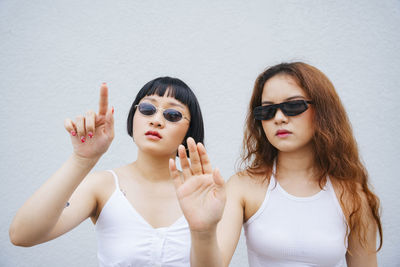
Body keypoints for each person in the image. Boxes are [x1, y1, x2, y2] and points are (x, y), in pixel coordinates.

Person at [169, 62, 383, 267]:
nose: (279, 118)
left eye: (293, 106)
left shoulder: (354, 196)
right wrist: (202, 231)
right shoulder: (243, 186)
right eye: (267, 110)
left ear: (323, 111)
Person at [9, 77, 204, 267]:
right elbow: (22, 235)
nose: (156, 120)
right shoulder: (103, 186)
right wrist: (82, 160)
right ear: (133, 117)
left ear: (190, 129)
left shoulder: (204, 191)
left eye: (172, 115)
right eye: (147, 109)